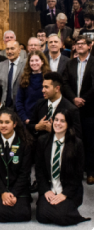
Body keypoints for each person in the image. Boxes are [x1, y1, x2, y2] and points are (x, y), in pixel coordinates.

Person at [35, 110, 90, 226]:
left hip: (68, 190)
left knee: (61, 216)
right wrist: (46, 190)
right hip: (50, 189)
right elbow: (39, 170)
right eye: (56, 120)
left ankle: (65, 212)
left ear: (68, 124)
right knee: (40, 216)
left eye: (62, 121)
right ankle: (62, 211)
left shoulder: (77, 144)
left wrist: (64, 194)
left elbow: (78, 174)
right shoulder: (42, 141)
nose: (58, 123)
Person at [0, 109, 33, 223]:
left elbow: (25, 172)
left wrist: (14, 193)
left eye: (7, 122)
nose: (3, 125)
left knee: (23, 214)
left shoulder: (25, 143)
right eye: (0, 122)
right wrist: (3, 192)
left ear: (15, 124)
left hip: (19, 189)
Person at [62, 35, 94, 184]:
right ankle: (76, 171)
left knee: (89, 140)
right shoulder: (70, 63)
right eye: (77, 44)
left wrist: (83, 100)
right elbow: (65, 83)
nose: (79, 46)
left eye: (83, 44)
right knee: (73, 139)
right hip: (73, 108)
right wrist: (74, 98)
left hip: (90, 108)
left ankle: (90, 171)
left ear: (89, 46)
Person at [28, 72, 81, 138]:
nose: (43, 90)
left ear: (57, 89)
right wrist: (37, 127)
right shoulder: (40, 103)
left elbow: (77, 137)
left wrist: (55, 131)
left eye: (46, 87)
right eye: (43, 87)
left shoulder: (71, 109)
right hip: (40, 146)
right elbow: (29, 126)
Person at [16, 51, 50, 124]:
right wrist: (25, 118)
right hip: (28, 120)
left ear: (42, 62)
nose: (34, 63)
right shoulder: (24, 78)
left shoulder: (49, 78)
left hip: (45, 119)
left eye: (37, 60)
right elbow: (19, 101)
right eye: (31, 61)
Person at [0, 41, 25, 107]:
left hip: (21, 105)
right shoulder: (0, 66)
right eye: (7, 49)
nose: (9, 51)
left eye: (12, 48)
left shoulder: (25, 65)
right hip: (4, 105)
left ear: (19, 50)